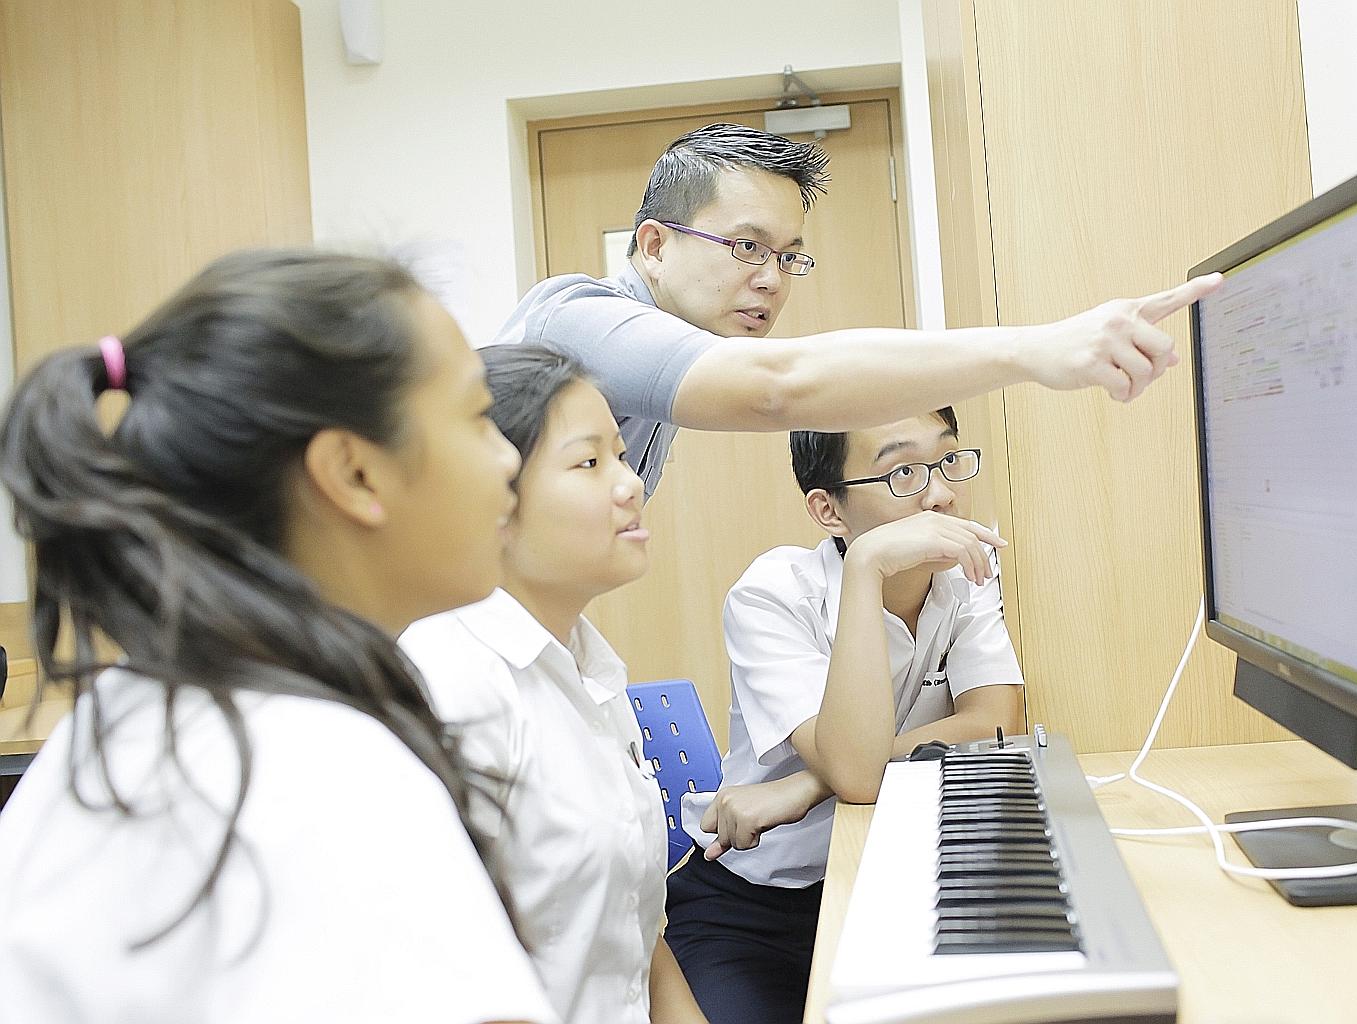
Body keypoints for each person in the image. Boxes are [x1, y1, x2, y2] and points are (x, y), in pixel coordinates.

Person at [0, 250, 554, 1024]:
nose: (508, 459)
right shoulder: (327, 775)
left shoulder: (117, 726)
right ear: (353, 473)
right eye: (477, 416)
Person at [496, 121, 1221, 500]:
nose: (771, 280)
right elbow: (777, 386)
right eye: (747, 246)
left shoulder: (663, 352)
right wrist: (1034, 349)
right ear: (654, 246)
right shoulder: (575, 323)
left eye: (788, 256)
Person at [665, 407, 1025, 1024]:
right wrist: (866, 567)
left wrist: (807, 785)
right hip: (755, 911)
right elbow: (858, 774)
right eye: (903, 472)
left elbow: (994, 723)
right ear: (829, 510)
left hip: (892, 893)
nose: (940, 495)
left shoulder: (964, 580)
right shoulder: (774, 594)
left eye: (947, 460)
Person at [399, 344, 706, 1024]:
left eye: (621, 456)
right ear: (488, 498)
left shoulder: (588, 665)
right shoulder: (451, 685)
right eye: (589, 463)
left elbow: (635, 933)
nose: (630, 484)